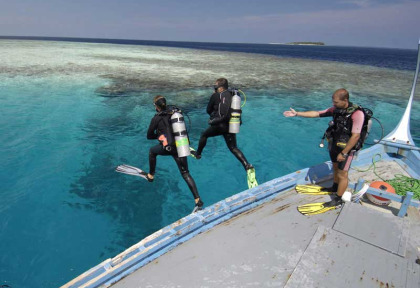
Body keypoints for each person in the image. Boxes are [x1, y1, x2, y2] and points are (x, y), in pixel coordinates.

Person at [283, 88, 366, 206]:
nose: (334, 104)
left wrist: (344, 153)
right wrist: (297, 113)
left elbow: (356, 136)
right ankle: (334, 187)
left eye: (336, 102)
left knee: (343, 174)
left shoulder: (357, 114)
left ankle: (338, 199)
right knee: (335, 168)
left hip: (347, 148)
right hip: (335, 144)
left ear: (345, 100)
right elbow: (317, 113)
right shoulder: (336, 110)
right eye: (333, 102)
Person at [191, 78, 257, 188]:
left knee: (204, 135)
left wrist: (214, 113)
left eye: (215, 87)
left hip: (220, 124)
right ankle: (247, 165)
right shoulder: (233, 95)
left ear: (220, 87)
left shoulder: (216, 95)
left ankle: (198, 154)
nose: (214, 89)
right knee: (233, 148)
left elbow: (208, 110)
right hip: (232, 124)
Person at [147, 95, 203, 212]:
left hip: (170, 147)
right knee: (186, 173)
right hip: (181, 144)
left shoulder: (156, 118)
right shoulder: (175, 113)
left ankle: (151, 175)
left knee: (152, 151)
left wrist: (159, 136)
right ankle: (198, 200)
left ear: (156, 107)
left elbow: (149, 135)